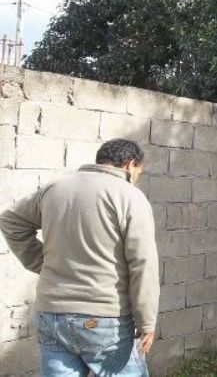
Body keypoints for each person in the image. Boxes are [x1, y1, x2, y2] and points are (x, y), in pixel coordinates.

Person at [0, 139, 159, 377]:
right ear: (129, 164)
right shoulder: (130, 197)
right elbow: (143, 264)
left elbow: (10, 220)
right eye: (138, 171)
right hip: (104, 320)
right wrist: (147, 321)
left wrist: (41, 263)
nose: (137, 177)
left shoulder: (55, 189)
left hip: (51, 316)